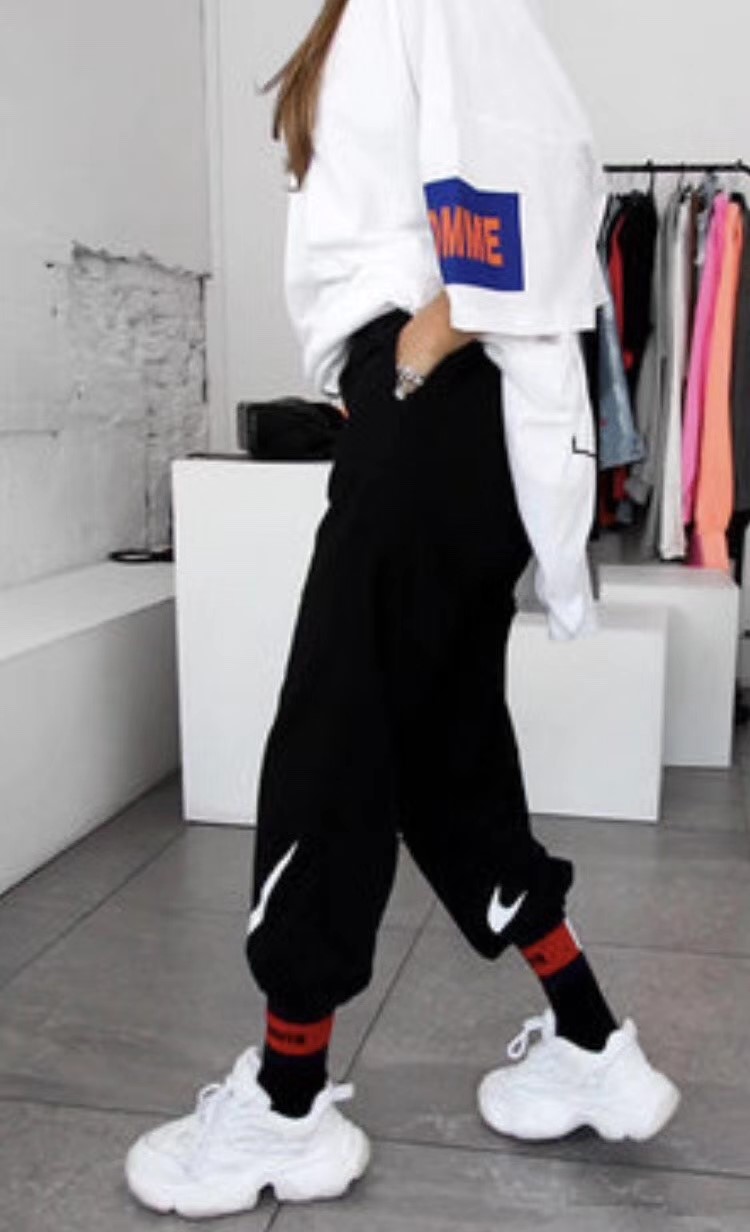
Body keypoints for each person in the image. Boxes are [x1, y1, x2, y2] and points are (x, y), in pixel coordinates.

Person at [125, 0, 680, 1218]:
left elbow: (541, 170)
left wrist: (422, 350)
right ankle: (590, 1039)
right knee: (441, 751)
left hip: (431, 397)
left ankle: (286, 1104)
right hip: (420, 405)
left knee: (336, 735)